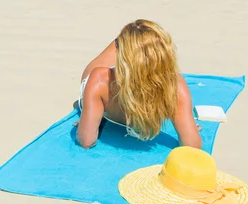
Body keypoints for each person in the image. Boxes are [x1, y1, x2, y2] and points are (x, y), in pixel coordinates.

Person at [76, 19, 202, 149]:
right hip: (138, 73)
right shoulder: (175, 85)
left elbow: (86, 141)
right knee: (144, 41)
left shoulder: (99, 79)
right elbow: (192, 145)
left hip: (107, 83)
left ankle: (130, 43)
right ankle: (143, 47)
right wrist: (188, 127)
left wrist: (86, 122)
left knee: (129, 37)